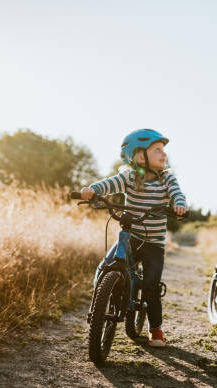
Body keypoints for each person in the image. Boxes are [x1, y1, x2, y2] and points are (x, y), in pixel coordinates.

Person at [80, 129, 187, 347]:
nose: (163, 154)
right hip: (131, 236)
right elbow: (109, 184)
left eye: (163, 150)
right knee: (105, 268)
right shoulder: (129, 176)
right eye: (157, 150)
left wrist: (179, 204)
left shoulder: (167, 178)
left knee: (150, 285)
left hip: (154, 243)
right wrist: (92, 190)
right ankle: (103, 305)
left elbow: (177, 192)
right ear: (140, 157)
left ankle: (155, 328)